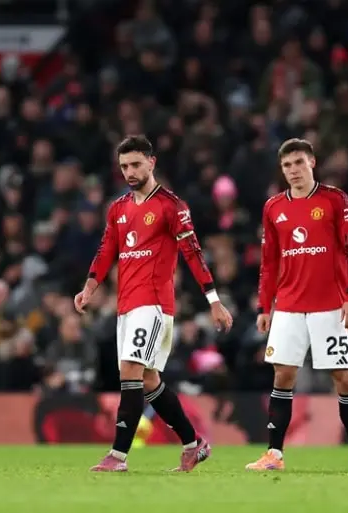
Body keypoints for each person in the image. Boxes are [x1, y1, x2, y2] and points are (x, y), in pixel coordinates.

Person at [74, 134, 233, 472]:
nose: (130, 172)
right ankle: (194, 444)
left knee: (130, 371)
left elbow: (193, 254)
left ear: (151, 162)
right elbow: (107, 249)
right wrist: (90, 286)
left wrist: (214, 300)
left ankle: (118, 456)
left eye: (136, 164)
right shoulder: (118, 208)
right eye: (124, 166)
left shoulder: (171, 206)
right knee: (147, 380)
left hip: (154, 304)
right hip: (126, 305)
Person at [248, 138, 348, 471]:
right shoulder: (273, 207)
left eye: (298, 162)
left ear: (312, 162)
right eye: (286, 165)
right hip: (289, 306)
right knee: (283, 375)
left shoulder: (335, 200)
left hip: (330, 306)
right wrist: (265, 307)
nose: (293, 170)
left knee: (343, 377)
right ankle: (274, 454)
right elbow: (269, 261)